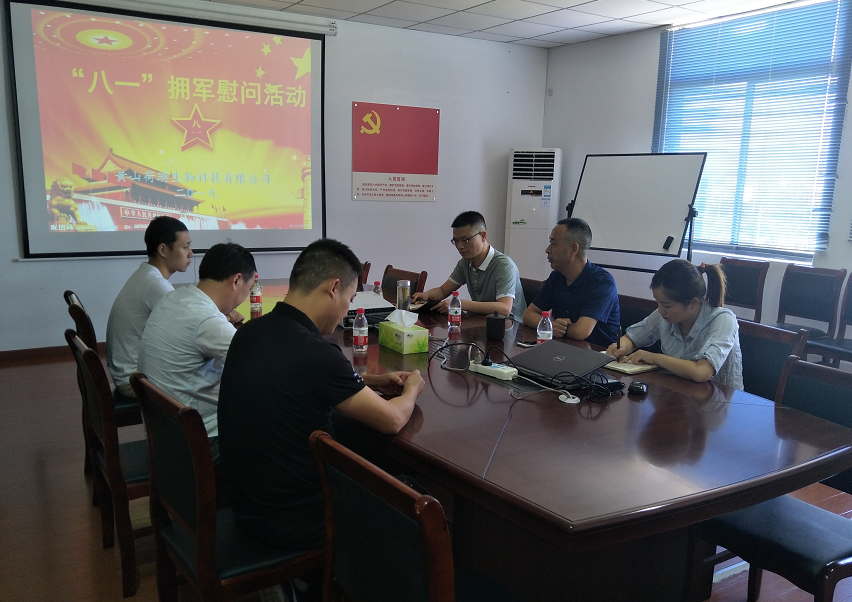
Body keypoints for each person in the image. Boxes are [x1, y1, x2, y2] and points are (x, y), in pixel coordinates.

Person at [218, 238, 425, 556]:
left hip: (247, 505)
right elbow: (393, 419)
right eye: (350, 300)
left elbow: (298, 379)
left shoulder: (250, 332)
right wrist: (412, 388)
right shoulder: (316, 353)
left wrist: (367, 380)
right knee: (412, 493)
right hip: (298, 522)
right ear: (334, 288)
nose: (346, 312)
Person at [138, 242, 256, 454]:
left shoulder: (174, 297)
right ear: (237, 280)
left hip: (163, 433)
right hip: (197, 443)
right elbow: (258, 366)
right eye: (249, 289)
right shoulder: (206, 320)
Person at [606, 259, 743, 390]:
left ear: (693, 303)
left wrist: (655, 358)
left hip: (721, 401)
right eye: (658, 302)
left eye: (666, 305)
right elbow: (633, 338)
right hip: (678, 393)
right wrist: (622, 346)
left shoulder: (723, 320)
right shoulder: (665, 315)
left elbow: (701, 371)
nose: (660, 310)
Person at [106, 216, 192, 397]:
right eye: (185, 247)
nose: (190, 253)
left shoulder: (146, 275)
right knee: (211, 378)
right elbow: (190, 326)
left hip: (130, 374)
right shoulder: (155, 284)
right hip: (136, 381)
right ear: (163, 250)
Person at [411, 211, 526, 321]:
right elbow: (442, 291)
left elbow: (504, 309)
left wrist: (460, 303)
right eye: (456, 241)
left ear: (483, 236)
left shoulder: (504, 266)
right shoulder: (465, 263)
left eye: (465, 240)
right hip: (480, 321)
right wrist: (426, 295)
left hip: (510, 326)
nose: (460, 246)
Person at [522, 218, 620, 346]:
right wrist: (552, 325)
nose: (548, 249)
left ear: (574, 249)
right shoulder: (557, 276)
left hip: (598, 353)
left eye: (553, 244)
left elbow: (580, 332)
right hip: (564, 348)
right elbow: (528, 315)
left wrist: (552, 327)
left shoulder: (602, 283)